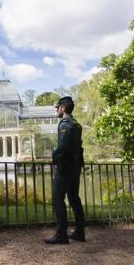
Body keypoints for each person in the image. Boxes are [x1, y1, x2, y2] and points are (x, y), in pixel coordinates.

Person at [45, 96, 86, 244]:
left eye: (58, 107)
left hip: (65, 167)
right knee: (74, 198)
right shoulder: (76, 124)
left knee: (57, 199)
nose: (57, 109)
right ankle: (80, 232)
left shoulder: (65, 124)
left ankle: (61, 234)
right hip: (75, 166)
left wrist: (54, 155)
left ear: (63, 108)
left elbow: (63, 147)